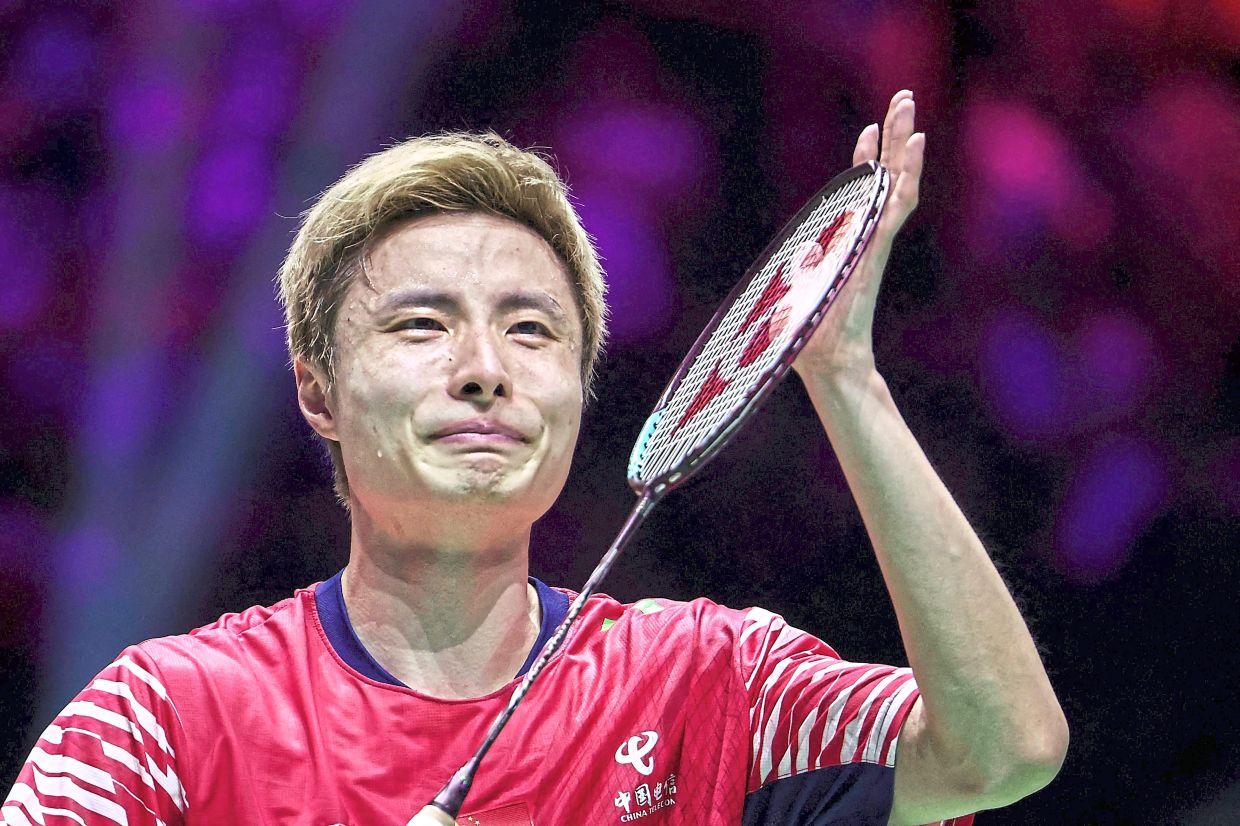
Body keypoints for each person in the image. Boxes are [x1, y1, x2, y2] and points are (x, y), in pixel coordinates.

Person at [2, 90, 1067, 826]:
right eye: (422, 326)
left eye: (530, 331)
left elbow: (1001, 751)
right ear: (317, 391)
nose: (484, 371)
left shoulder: (709, 685)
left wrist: (843, 373)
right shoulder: (161, 721)